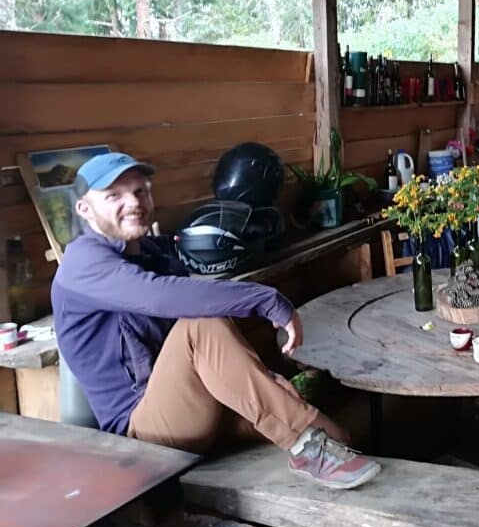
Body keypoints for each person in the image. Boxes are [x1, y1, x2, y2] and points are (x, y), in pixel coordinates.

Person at [51, 152, 381, 490]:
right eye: (114, 196)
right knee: (202, 324)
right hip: (142, 434)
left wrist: (264, 380)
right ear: (85, 209)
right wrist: (265, 299)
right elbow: (164, 297)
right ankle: (305, 446)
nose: (133, 202)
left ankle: (314, 446)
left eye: (140, 191)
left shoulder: (151, 252)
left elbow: (206, 347)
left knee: (339, 435)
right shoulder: (82, 262)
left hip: (198, 406)